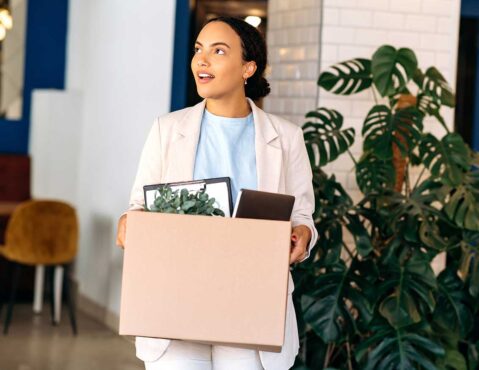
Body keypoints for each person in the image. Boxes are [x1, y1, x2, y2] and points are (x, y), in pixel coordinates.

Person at [116, 16, 318, 370]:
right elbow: (139, 206)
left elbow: (302, 217)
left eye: (218, 51)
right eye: (198, 50)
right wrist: (130, 222)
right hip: (175, 305)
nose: (202, 60)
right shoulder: (167, 129)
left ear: (248, 67)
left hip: (252, 307)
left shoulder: (286, 138)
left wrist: (302, 235)